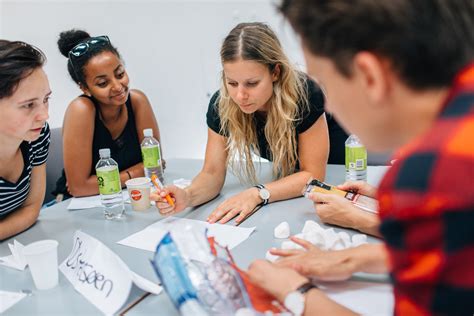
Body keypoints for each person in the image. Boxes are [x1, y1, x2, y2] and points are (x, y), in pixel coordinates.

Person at [248, 1, 474, 315]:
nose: (328, 107)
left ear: (369, 76)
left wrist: (295, 293)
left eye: (325, 84)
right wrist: (353, 258)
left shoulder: (430, 175)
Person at [153, 22, 347, 224]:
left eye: (252, 83)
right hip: (291, 180)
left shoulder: (305, 94)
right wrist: (188, 196)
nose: (240, 95)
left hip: (339, 173)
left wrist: (257, 193)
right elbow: (211, 173)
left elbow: (313, 174)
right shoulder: (222, 105)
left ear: (275, 73)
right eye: (232, 83)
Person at [54, 30, 162, 199]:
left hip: (128, 197)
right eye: (103, 83)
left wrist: (104, 181)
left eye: (120, 74)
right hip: (79, 205)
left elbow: (156, 165)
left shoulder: (137, 101)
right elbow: (79, 188)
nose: (118, 86)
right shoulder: (81, 110)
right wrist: (135, 174)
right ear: (84, 88)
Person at [0, 40, 51, 240]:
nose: (44, 115)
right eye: (29, 105)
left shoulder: (35, 137)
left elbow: (31, 208)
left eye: (46, 99)